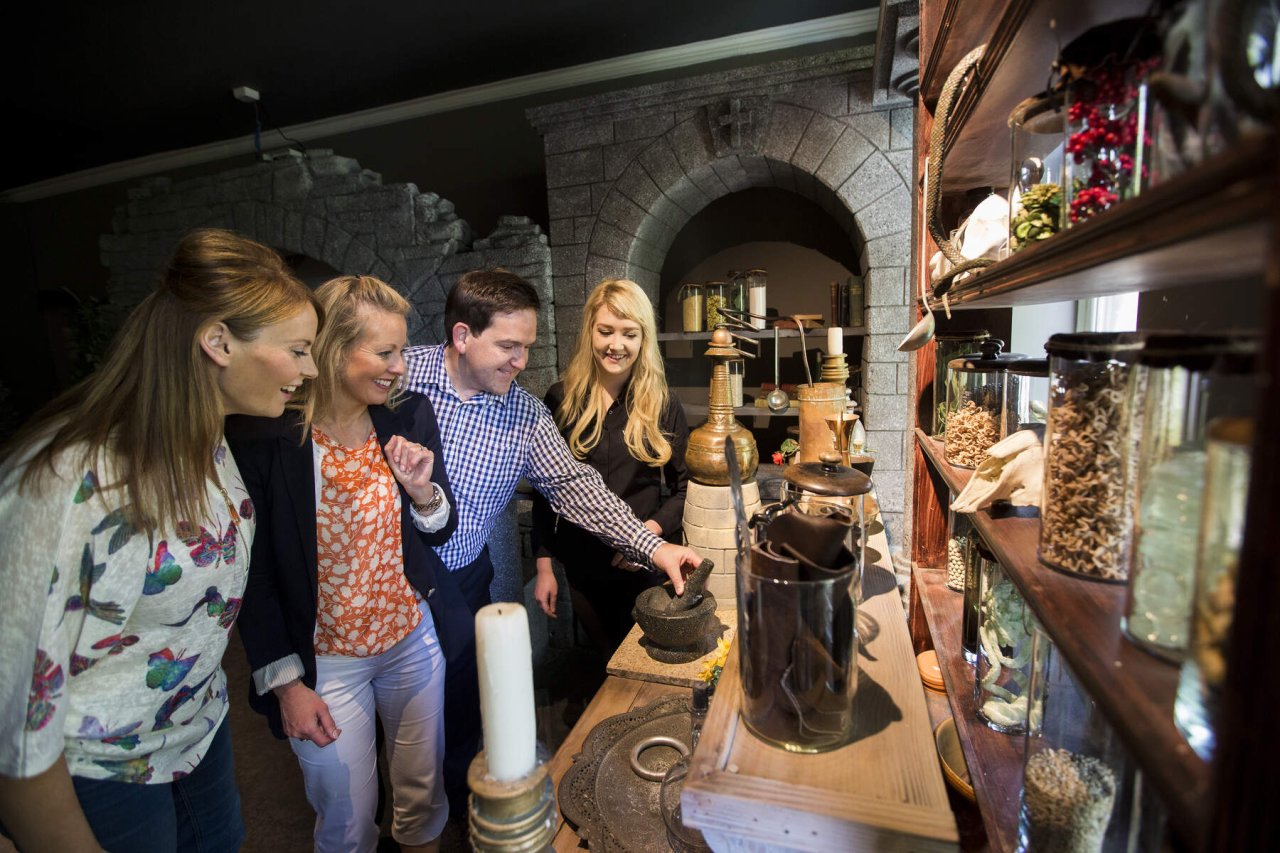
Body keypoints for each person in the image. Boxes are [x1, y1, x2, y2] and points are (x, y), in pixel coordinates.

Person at [0, 227, 320, 852]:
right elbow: (15, 720)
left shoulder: (212, 443)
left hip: (195, 733)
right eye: (299, 349)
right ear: (218, 342)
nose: (310, 370)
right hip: (100, 768)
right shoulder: (70, 483)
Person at [401, 268, 703, 816]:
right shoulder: (403, 376)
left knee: (463, 715)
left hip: (461, 581)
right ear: (463, 336)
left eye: (527, 347)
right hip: (388, 579)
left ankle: (463, 823)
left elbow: (572, 487)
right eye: (509, 346)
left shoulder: (524, 413)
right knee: (400, 731)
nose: (520, 361)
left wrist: (654, 546)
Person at [226, 276, 469, 853]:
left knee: (422, 795)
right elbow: (250, 573)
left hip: (411, 640)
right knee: (345, 816)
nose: (401, 367)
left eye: (403, 350)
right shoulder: (268, 434)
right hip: (325, 663)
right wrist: (285, 682)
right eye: (385, 353)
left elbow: (441, 528)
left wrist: (423, 494)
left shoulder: (409, 414)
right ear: (333, 350)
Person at [530, 279, 689, 654]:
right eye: (606, 331)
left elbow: (686, 489)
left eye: (629, 334)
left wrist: (648, 534)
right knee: (600, 662)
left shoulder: (663, 403)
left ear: (643, 339)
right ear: (590, 332)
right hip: (581, 565)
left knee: (646, 662)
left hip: (643, 567)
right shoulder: (561, 399)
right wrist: (543, 565)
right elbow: (545, 489)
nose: (616, 345)